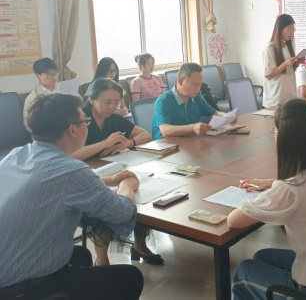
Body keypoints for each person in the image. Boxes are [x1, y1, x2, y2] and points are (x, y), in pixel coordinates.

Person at [0, 93, 143, 299]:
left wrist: (106, 180)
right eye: (85, 121)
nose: (87, 125)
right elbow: (122, 212)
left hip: (6, 269)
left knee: (81, 255)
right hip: (18, 289)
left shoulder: (17, 155)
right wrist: (127, 184)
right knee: (130, 277)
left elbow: (48, 184)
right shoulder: (71, 170)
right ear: (73, 129)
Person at [228, 99, 306, 300]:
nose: (273, 134)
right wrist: (270, 183)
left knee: (244, 271)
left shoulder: (291, 190)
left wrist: (271, 191)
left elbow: (233, 220)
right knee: (262, 257)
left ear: (288, 139)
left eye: (275, 130)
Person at [70, 78, 161, 266]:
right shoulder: (81, 119)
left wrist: (128, 143)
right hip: (83, 175)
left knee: (139, 191)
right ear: (91, 99)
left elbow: (145, 134)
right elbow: (71, 155)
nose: (112, 107)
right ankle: (102, 260)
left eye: (117, 102)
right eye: (107, 102)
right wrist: (105, 143)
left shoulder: (113, 118)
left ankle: (140, 244)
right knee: (102, 204)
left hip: (111, 168)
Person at [152, 62, 226, 140]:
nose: (198, 89)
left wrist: (226, 116)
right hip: (166, 144)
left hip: (189, 141)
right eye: (195, 84)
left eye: (200, 85)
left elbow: (214, 113)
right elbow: (165, 130)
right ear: (180, 81)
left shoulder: (196, 98)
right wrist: (192, 128)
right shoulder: (163, 101)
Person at [262, 13, 304, 108]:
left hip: (290, 98)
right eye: (289, 28)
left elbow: (288, 71)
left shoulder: (287, 46)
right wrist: (285, 63)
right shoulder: (270, 49)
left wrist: (297, 63)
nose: (292, 32)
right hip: (275, 100)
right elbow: (269, 75)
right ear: (280, 29)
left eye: (293, 29)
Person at [22, 57, 60, 131]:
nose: (54, 77)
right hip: (47, 133)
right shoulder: (32, 98)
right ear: (38, 75)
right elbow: (28, 125)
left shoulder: (64, 89)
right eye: (49, 74)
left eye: (55, 73)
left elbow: (80, 107)